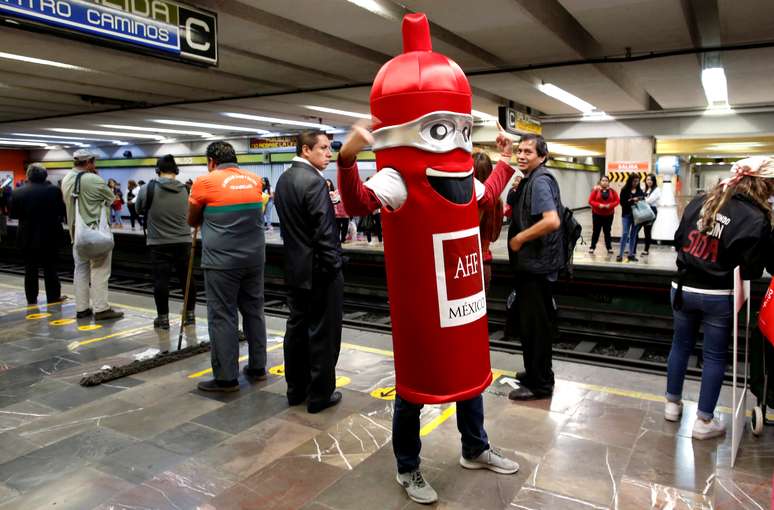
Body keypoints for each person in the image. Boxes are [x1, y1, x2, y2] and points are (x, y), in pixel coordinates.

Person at [337, 123, 518, 504]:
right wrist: (347, 158)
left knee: (468, 374)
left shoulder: (463, 178)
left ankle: (475, 448)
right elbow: (355, 204)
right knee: (413, 389)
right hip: (421, 310)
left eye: (462, 130)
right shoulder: (398, 179)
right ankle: (407, 467)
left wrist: (505, 158)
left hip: (461, 305)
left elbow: (488, 193)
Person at [666, 156, 774, 439]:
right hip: (718, 295)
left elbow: (679, 239)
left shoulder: (701, 200)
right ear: (763, 185)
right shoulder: (756, 217)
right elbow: (751, 270)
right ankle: (703, 422)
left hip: (682, 288)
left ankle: (672, 405)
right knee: (714, 357)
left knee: (680, 346)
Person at [188, 141, 267, 392]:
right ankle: (257, 367)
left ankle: (226, 378)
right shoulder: (256, 179)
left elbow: (192, 219)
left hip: (221, 262)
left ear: (211, 162)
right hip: (254, 259)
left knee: (223, 315)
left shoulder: (204, 181)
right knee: (254, 311)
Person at [275, 131, 344, 414]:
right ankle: (320, 395)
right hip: (319, 272)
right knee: (323, 335)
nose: (329, 154)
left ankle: (295, 390)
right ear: (306, 149)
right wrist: (335, 267)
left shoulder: (284, 179)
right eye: (324, 148)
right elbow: (324, 233)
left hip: (294, 269)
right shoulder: (314, 182)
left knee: (297, 331)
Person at [507, 134, 563, 401]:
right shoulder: (530, 178)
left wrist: (520, 238)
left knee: (535, 328)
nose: (521, 155)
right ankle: (537, 374)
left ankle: (540, 385)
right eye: (520, 150)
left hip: (537, 267)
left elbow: (552, 221)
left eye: (528, 151)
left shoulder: (540, 181)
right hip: (534, 266)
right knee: (533, 325)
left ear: (542, 156)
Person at [61, 150, 123, 321]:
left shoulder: (66, 179)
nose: (95, 165)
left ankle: (82, 309)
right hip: (95, 234)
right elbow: (114, 200)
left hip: (76, 234)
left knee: (80, 270)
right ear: (88, 162)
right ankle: (101, 308)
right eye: (93, 162)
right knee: (100, 269)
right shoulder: (93, 179)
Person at [136, 155, 196, 330]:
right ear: (176, 170)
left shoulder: (148, 188)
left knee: (161, 281)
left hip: (158, 243)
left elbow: (139, 209)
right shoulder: (186, 189)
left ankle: (163, 319)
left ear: (157, 170)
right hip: (184, 242)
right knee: (187, 279)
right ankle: (190, 315)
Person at [9, 164, 67, 305]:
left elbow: (14, 215)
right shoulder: (54, 191)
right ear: (45, 175)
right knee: (51, 269)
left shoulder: (18, 192)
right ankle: (53, 297)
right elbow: (61, 212)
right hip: (50, 236)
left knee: (30, 269)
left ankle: (31, 299)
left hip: (27, 236)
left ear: (28, 176)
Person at [474, 152, 504, 290]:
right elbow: (494, 236)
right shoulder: (497, 202)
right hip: (485, 264)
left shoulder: (465, 200)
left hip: (465, 265)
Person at [587, 175, 619, 255]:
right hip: (597, 214)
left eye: (606, 181)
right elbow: (590, 201)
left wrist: (610, 205)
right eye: (603, 180)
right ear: (600, 182)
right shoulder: (596, 191)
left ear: (608, 182)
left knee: (607, 231)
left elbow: (617, 200)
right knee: (596, 231)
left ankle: (609, 247)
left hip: (609, 215)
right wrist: (599, 205)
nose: (605, 182)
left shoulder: (612, 191)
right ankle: (592, 247)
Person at [617, 173, 645, 262]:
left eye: (637, 181)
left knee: (633, 235)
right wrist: (632, 201)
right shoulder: (624, 190)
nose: (636, 183)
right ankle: (620, 254)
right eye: (634, 181)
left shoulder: (639, 190)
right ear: (630, 181)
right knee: (625, 233)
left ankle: (631, 254)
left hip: (637, 216)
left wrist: (639, 200)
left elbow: (643, 201)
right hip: (626, 215)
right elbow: (622, 203)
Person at [639, 173, 661, 256]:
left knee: (647, 230)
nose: (649, 181)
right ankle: (632, 248)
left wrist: (641, 198)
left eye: (651, 180)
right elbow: (639, 195)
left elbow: (649, 201)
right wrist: (642, 197)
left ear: (654, 181)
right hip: (643, 209)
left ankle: (646, 249)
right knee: (636, 229)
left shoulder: (657, 190)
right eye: (647, 179)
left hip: (652, 211)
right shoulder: (644, 188)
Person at [327, 179, 349, 244]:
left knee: (345, 228)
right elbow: (335, 203)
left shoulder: (347, 192)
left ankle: (343, 239)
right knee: (338, 228)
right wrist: (336, 212)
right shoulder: (336, 192)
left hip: (345, 214)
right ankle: (338, 240)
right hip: (338, 214)